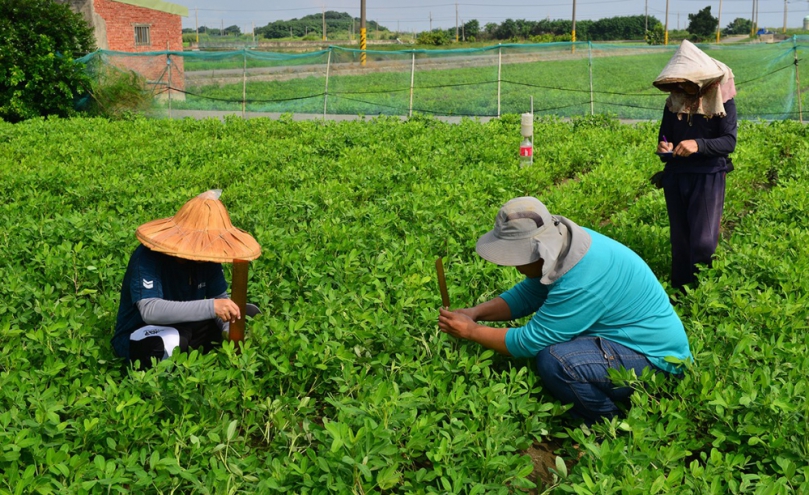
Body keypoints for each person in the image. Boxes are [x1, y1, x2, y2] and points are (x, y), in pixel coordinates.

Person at [437, 197, 693, 425]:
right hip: (629, 341)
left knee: (557, 361)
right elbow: (530, 293)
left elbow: (528, 343)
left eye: (517, 259)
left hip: (657, 361)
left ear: (539, 250)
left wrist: (471, 331)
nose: (515, 267)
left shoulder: (583, 280)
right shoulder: (566, 244)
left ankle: (606, 423)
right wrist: (475, 313)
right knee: (558, 345)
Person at [112, 190, 261, 369]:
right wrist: (211, 307)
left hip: (185, 326)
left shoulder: (207, 256)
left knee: (246, 315)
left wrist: (229, 333)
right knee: (172, 341)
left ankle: (200, 359)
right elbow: (150, 310)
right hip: (143, 331)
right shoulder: (147, 257)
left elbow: (221, 299)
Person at [652, 40, 737, 290]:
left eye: (686, 82)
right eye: (678, 82)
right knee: (680, 241)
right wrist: (664, 148)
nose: (681, 87)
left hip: (708, 175)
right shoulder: (673, 102)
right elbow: (664, 137)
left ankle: (702, 293)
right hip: (676, 175)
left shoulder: (722, 102)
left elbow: (728, 141)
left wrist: (698, 145)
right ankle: (680, 293)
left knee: (703, 242)